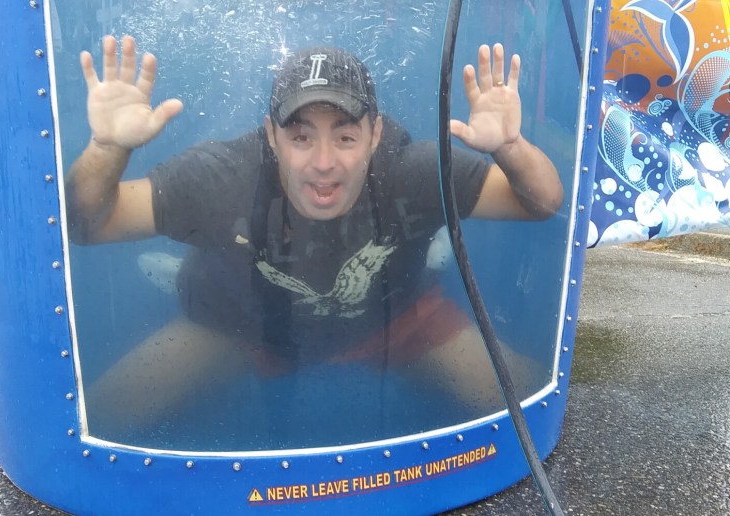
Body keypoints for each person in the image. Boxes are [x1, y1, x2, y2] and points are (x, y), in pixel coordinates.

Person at [66, 35, 563, 441]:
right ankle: (189, 271)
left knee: (520, 398)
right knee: (107, 412)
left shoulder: (412, 172)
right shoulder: (223, 178)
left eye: (345, 137)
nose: (323, 163)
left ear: (374, 135)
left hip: (391, 318)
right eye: (301, 136)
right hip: (243, 325)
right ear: (270, 135)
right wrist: (107, 149)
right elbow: (88, 225)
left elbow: (542, 203)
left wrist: (512, 147)